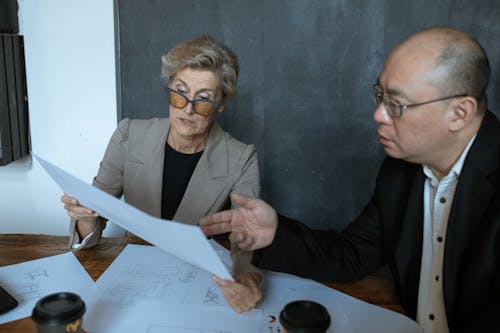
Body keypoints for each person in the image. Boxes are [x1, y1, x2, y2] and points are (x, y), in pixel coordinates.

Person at [200, 27, 500, 332]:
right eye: (380, 95)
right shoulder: (400, 171)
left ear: (460, 113)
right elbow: (353, 256)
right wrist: (275, 232)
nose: (379, 115)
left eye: (397, 104)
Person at [61, 35, 262, 313]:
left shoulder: (241, 158)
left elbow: (245, 246)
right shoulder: (128, 135)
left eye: (203, 100)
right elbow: (94, 222)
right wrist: (84, 219)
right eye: (179, 93)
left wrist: (245, 279)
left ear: (222, 103)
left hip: (195, 283)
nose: (187, 109)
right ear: (169, 88)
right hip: (131, 281)